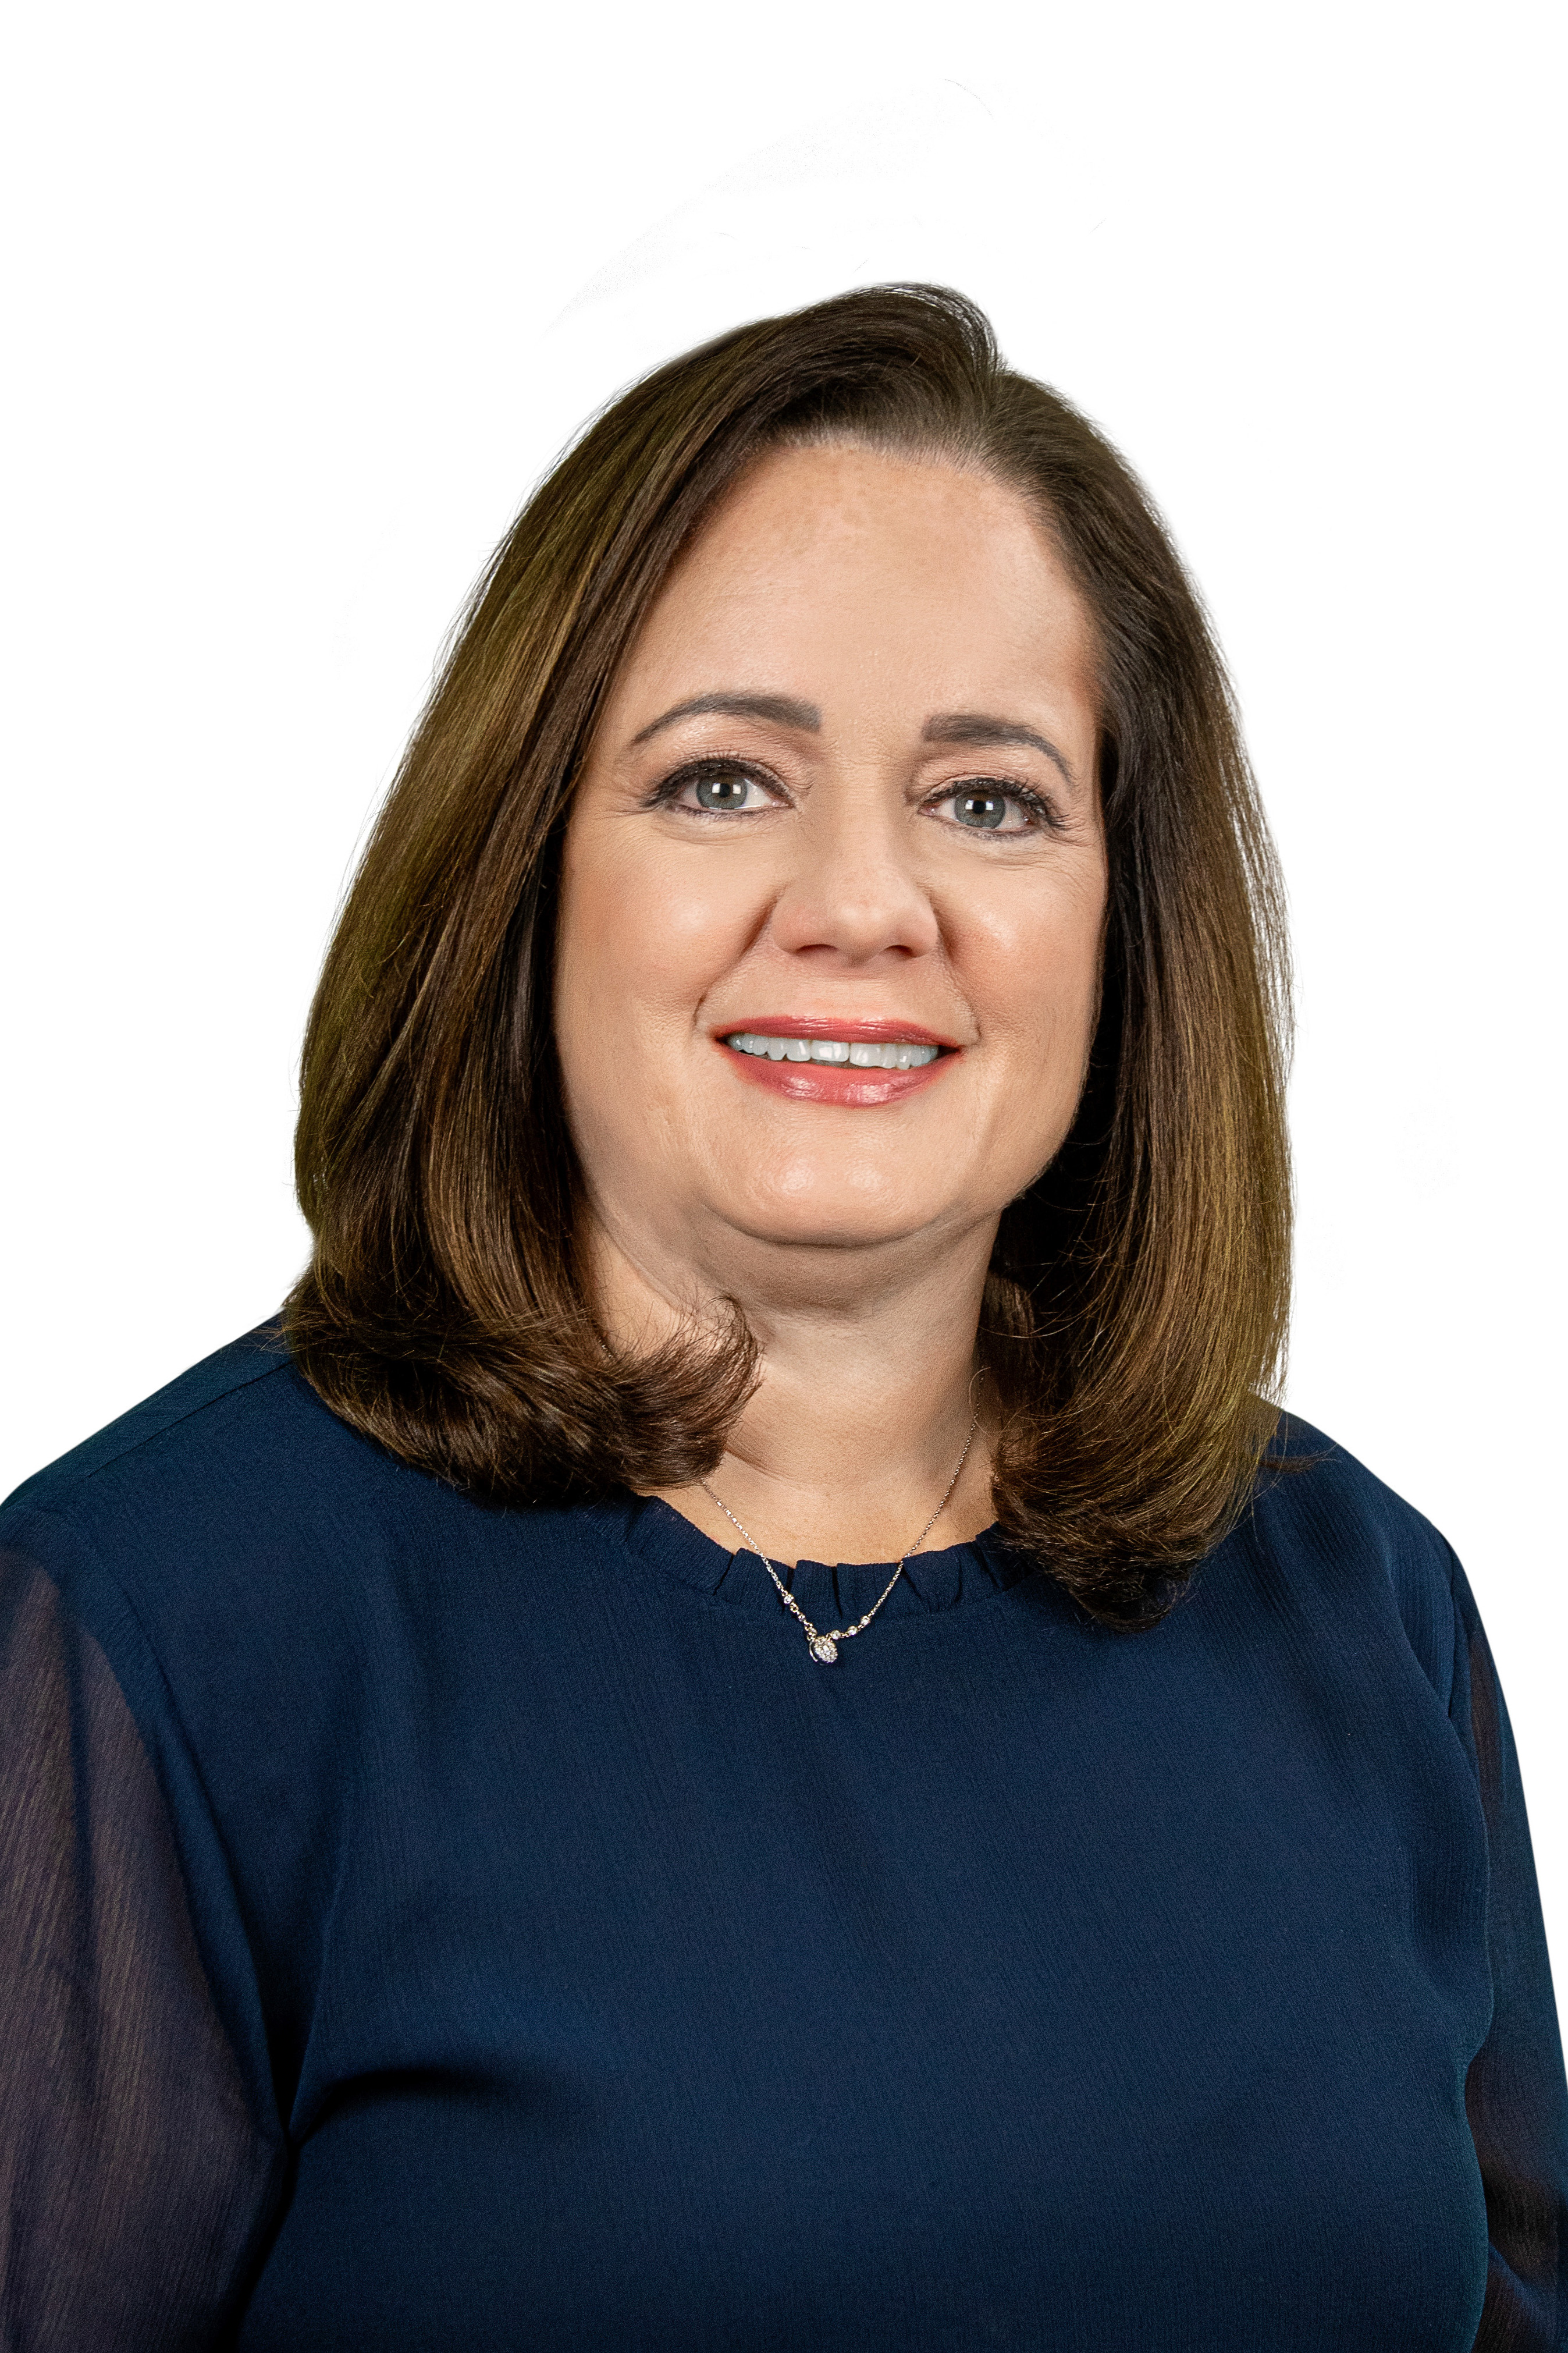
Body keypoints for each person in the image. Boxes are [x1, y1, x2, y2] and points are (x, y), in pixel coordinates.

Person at [1, 285, 1562, 2351]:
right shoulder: (166, 1626)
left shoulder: (1361, 1600)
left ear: (1127, 914)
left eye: (989, 799)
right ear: (526, 869)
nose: (860, 905)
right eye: (725, 780)